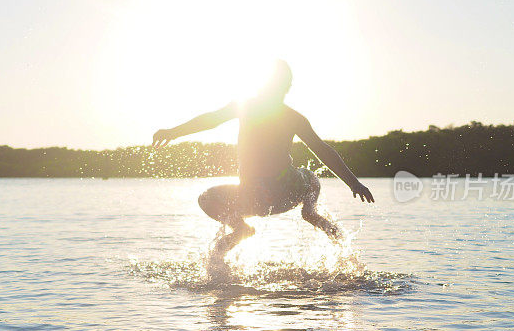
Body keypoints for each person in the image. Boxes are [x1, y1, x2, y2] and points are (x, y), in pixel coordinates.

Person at [152, 60, 374, 273]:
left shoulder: (290, 117)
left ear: (284, 87)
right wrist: (174, 132)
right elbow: (211, 119)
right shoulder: (247, 107)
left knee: (309, 177)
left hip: (285, 189)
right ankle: (244, 229)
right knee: (206, 199)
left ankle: (310, 216)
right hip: (254, 195)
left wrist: (353, 182)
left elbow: (322, 150)